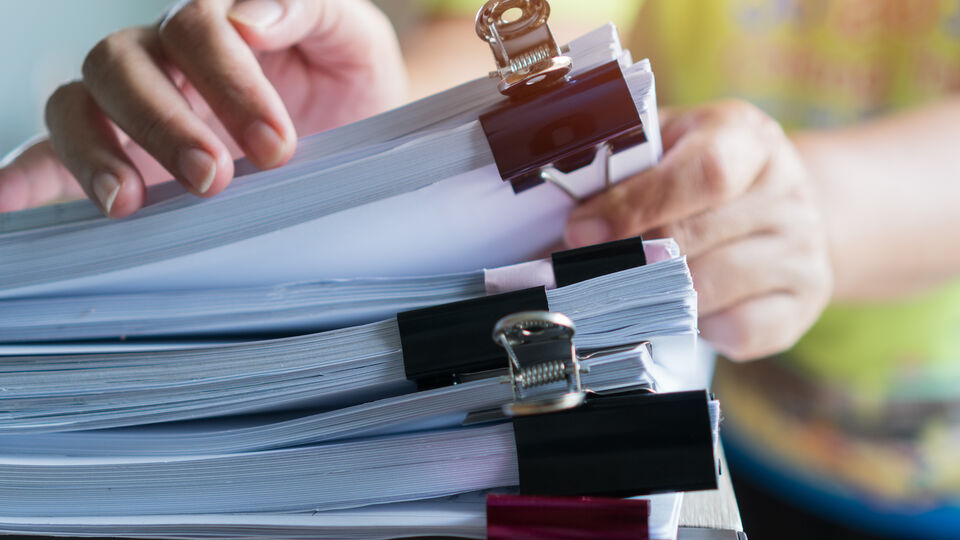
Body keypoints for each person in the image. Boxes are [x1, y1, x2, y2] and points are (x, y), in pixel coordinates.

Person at [0, 0, 957, 538]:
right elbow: (530, 32)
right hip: (679, 417)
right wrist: (369, 152)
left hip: (921, 477)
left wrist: (809, 213)